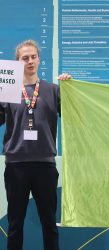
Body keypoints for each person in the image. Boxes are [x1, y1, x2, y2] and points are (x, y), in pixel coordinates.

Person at [0, 40, 71, 250]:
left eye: (33, 57)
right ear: (18, 62)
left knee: (49, 224)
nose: (30, 61)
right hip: (16, 165)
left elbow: (73, 113)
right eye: (25, 58)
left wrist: (70, 89)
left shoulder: (53, 90)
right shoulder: (7, 90)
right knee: (15, 225)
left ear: (39, 59)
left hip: (45, 165)